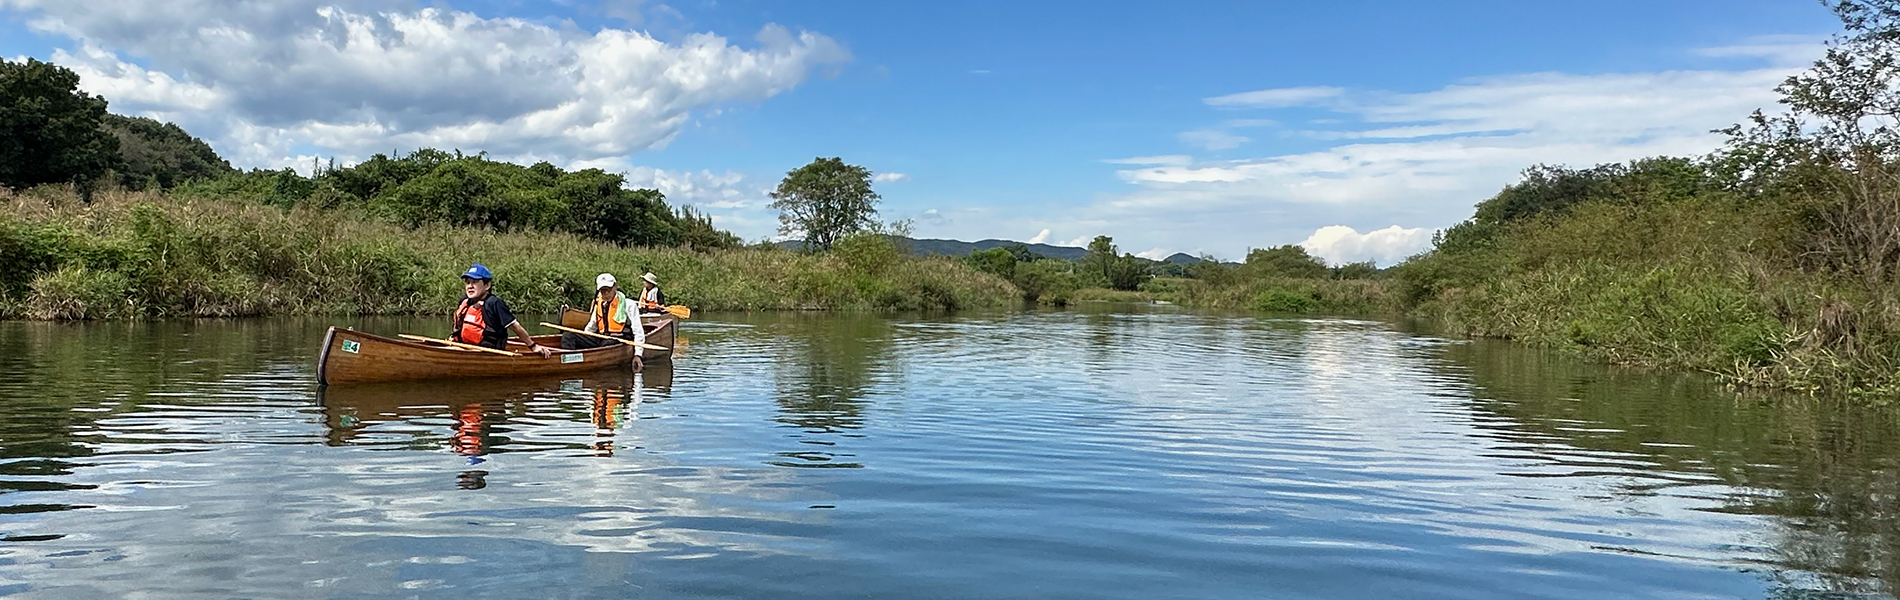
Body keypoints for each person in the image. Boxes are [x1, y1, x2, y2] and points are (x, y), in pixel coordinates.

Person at [451, 264, 555, 358]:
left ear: (487, 285)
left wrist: (533, 346)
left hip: (488, 352)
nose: (470, 286)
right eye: (468, 282)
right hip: (465, 348)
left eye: (475, 282)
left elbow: (514, 326)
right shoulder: (464, 302)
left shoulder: (494, 303)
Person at [562, 273, 645, 350]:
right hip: (602, 338)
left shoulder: (628, 304)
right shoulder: (599, 305)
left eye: (608, 290)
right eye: (602, 291)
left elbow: (638, 332)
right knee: (568, 335)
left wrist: (638, 355)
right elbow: (591, 327)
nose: (605, 294)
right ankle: (569, 359)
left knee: (608, 343)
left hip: (618, 339)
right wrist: (584, 338)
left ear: (615, 287)